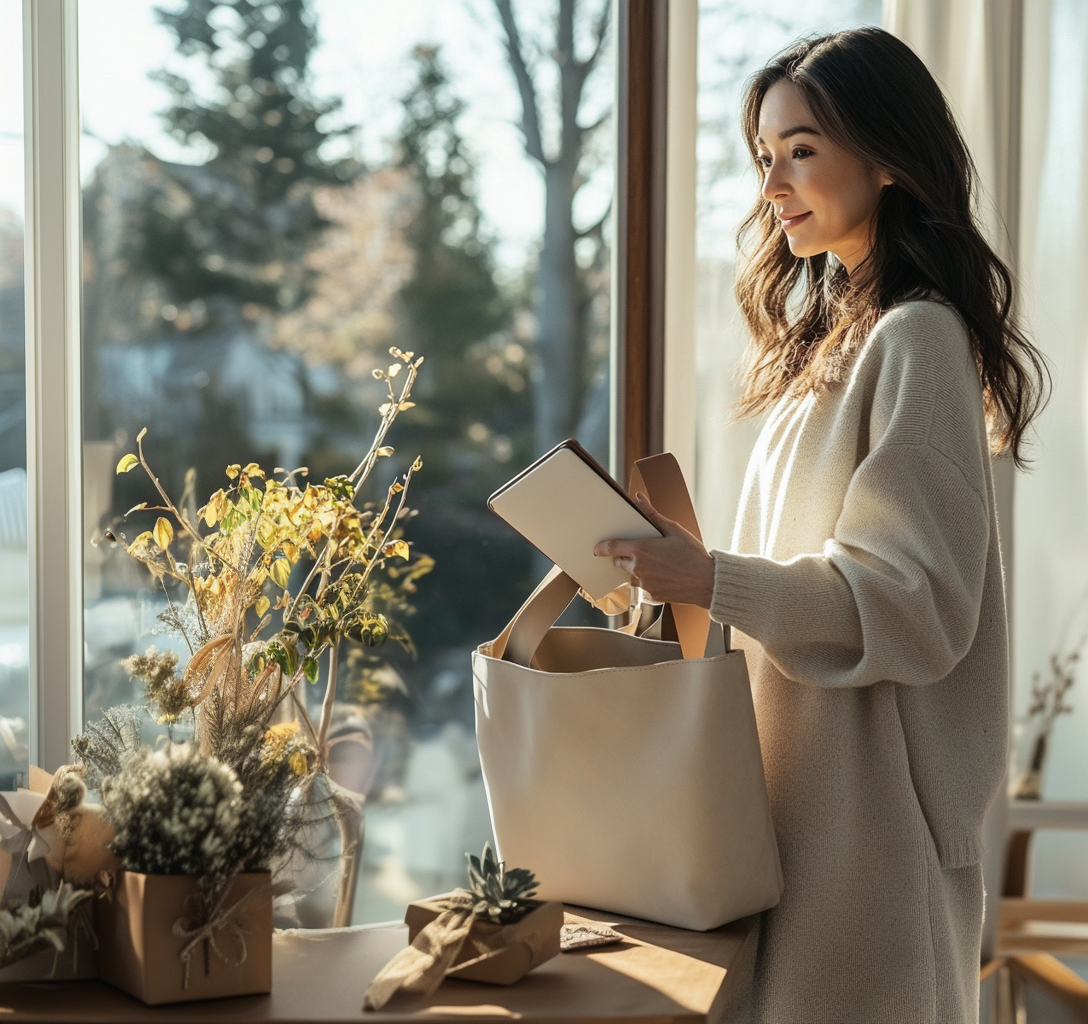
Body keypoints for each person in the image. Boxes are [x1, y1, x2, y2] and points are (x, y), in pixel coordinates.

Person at [594, 27, 1048, 1024]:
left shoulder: (915, 338)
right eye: (765, 156)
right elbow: (799, 581)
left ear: (884, 156)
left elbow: (910, 603)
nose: (772, 184)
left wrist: (711, 578)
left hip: (865, 846)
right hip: (791, 824)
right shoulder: (827, 350)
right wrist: (671, 572)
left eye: (799, 149)